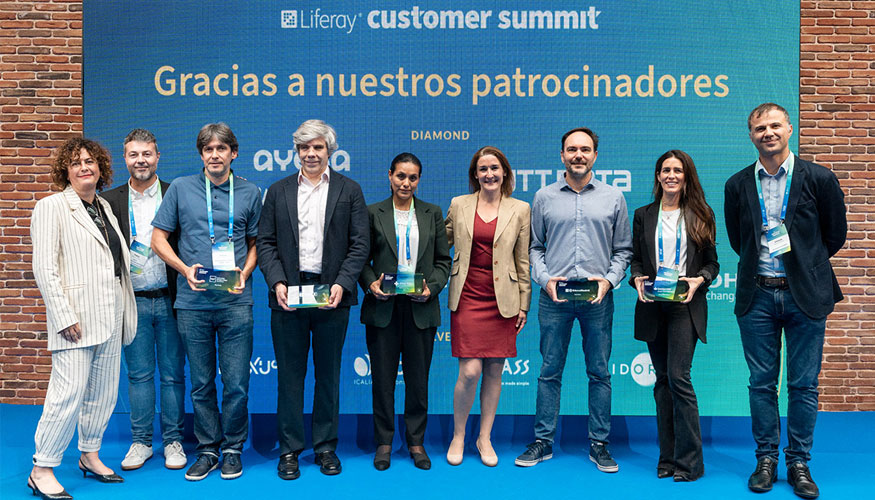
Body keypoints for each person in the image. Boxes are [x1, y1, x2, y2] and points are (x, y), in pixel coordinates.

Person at [725, 103, 846, 499]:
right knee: (761, 384)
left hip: (805, 296)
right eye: (759, 128)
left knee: (803, 384)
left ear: (789, 129)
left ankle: (798, 462)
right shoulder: (737, 184)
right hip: (756, 294)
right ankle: (765, 460)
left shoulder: (819, 178)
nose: (768, 133)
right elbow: (736, 239)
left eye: (775, 125)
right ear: (750, 135)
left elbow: (835, 235)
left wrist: (804, 267)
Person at [256, 119, 369, 479]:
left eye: (317, 147)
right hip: (288, 294)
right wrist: (276, 282)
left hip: (330, 295)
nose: (311, 154)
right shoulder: (278, 191)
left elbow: (359, 244)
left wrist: (342, 283)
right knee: (289, 378)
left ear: (329, 151)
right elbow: (266, 243)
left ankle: (325, 447)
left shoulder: (350, 191)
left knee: (328, 376)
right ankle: (289, 450)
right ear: (297, 151)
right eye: (304, 147)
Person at [515, 127, 632, 472]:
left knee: (599, 372)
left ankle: (599, 443)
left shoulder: (614, 197)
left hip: (598, 300)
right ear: (562, 155)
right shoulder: (544, 197)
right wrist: (545, 279)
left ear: (595, 155)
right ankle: (543, 441)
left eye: (585, 149)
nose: (578, 155)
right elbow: (534, 247)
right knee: (549, 372)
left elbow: (623, 250)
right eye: (571, 149)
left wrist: (608, 283)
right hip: (555, 299)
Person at [151, 123, 262, 481]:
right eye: (208, 149)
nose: (215, 155)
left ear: (234, 152)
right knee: (200, 383)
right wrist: (184, 269)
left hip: (235, 301)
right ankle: (208, 449)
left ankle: (232, 448)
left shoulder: (249, 191)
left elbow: (258, 242)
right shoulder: (181, 188)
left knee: (236, 383)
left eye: (221, 149)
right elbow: (158, 238)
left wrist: (244, 272)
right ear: (201, 154)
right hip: (193, 303)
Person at [29, 137, 138, 499]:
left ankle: (90, 454)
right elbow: (44, 267)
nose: (84, 167)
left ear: (101, 167)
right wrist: (62, 316)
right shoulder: (51, 207)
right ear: (66, 170)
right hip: (75, 319)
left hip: (109, 315)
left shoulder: (104, 207)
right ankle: (42, 467)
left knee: (103, 395)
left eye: (90, 161)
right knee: (67, 394)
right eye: (76, 163)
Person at [629, 150, 719, 482]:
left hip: (685, 303)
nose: (670, 175)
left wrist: (701, 280)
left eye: (677, 170)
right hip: (653, 303)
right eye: (665, 170)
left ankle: (691, 463)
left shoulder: (700, 213)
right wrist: (636, 278)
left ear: (686, 176)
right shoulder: (643, 214)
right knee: (663, 382)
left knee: (679, 377)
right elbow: (636, 259)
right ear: (657, 176)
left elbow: (713, 262)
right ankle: (667, 458)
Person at [358, 153, 451, 471]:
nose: (405, 183)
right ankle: (383, 442)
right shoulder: (373, 213)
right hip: (383, 308)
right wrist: (371, 285)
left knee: (418, 381)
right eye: (400, 176)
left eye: (412, 178)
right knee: (382, 381)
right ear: (389, 175)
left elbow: (443, 261)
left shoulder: (432, 213)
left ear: (419, 180)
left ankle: (416, 442)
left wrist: (432, 288)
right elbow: (361, 260)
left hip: (420, 308)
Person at [103, 129, 186, 471]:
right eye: (134, 155)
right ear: (125, 159)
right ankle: (141, 442)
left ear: (157, 156)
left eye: (147, 154)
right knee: (138, 376)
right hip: (132, 301)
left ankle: (173, 441)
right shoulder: (108, 201)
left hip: (169, 299)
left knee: (172, 375)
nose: (141, 161)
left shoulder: (175, 194)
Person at [445, 146, 531, 467]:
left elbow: (522, 260)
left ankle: (484, 438)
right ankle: (458, 435)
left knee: (494, 370)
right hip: (467, 295)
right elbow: (442, 242)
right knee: (469, 371)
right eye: (483, 169)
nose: (489, 174)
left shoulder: (521, 209)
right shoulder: (459, 205)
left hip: (503, 300)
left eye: (494, 168)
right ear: (475, 175)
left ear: (504, 172)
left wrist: (524, 302)